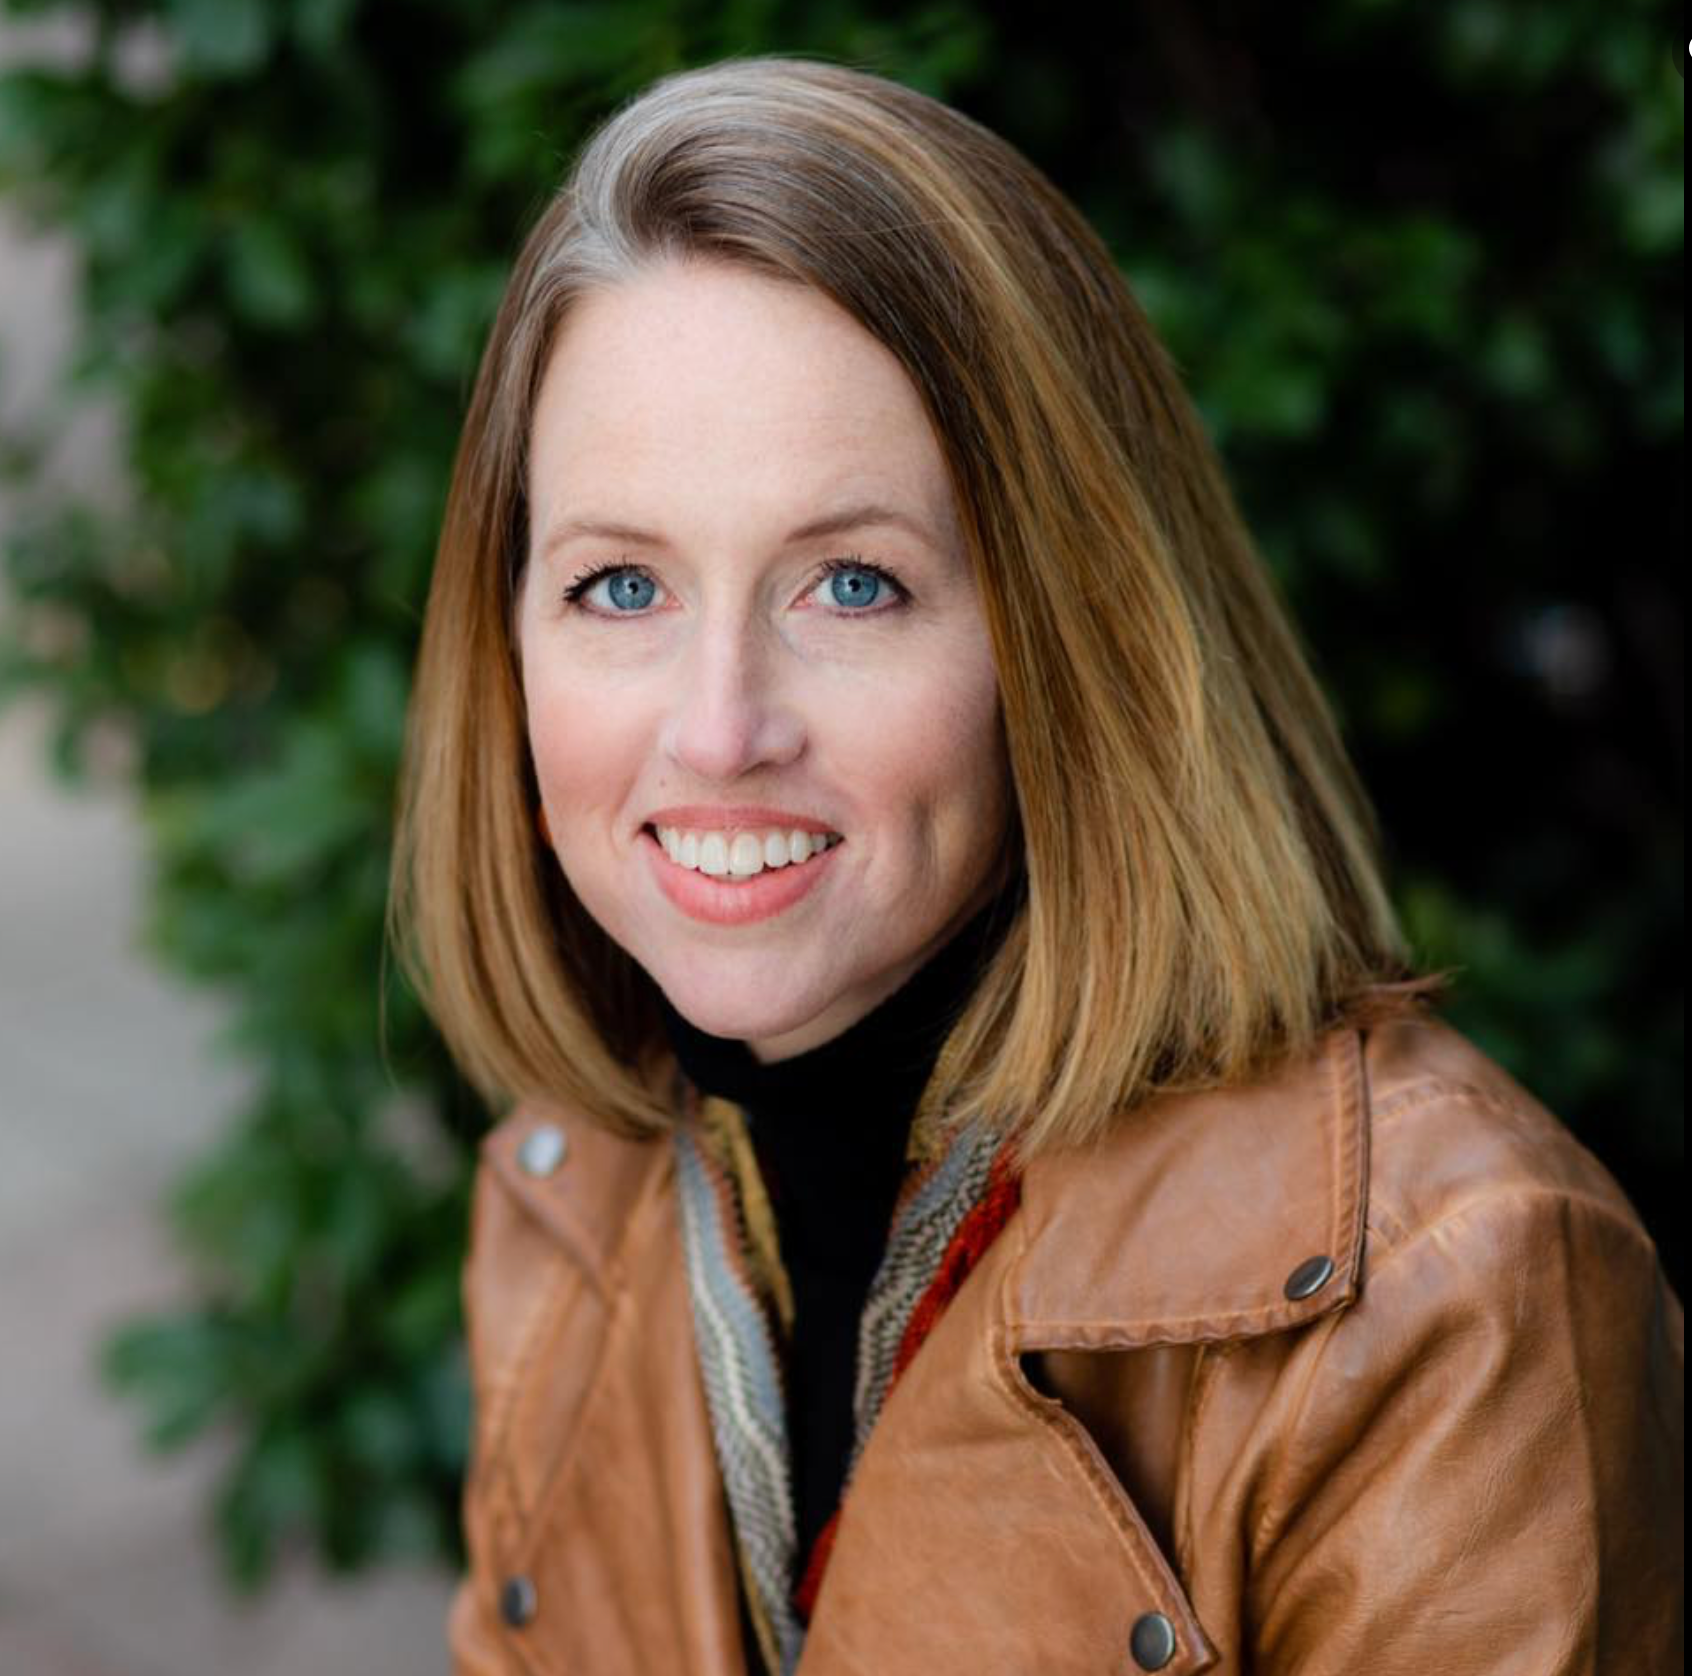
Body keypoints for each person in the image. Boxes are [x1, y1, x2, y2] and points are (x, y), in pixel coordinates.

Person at [388, 53, 1683, 1676]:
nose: (718, 731)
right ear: (505, 642)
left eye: (851, 586)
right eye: (620, 588)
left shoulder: (1450, 1303)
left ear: (1075, 645)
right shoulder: (567, 1186)